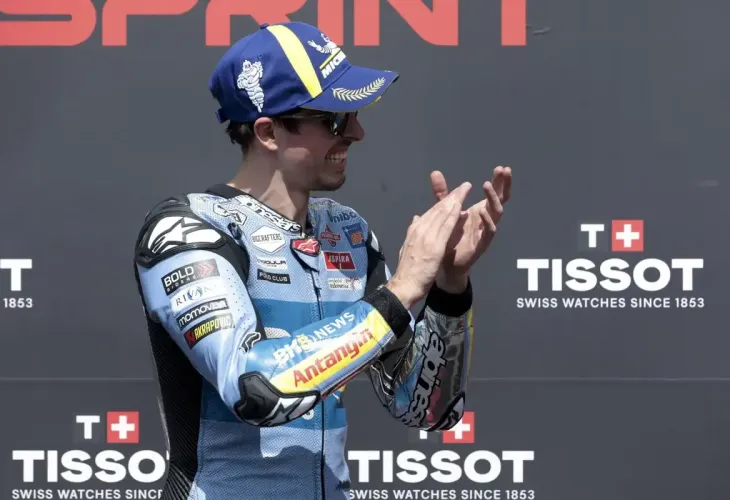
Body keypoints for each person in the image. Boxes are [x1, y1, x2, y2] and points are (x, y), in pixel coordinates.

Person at [133, 21, 512, 500]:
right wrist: (399, 293)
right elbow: (255, 389)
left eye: (354, 114)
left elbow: (426, 410)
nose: (357, 132)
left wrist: (448, 289)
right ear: (268, 132)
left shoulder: (347, 232)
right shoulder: (187, 229)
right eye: (334, 118)